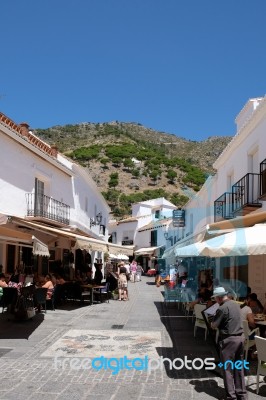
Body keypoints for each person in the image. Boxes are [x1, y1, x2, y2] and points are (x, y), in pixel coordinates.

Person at [211, 287, 247, 400]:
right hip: (240, 338)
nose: (215, 301)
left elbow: (214, 325)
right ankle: (241, 394)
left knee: (227, 369)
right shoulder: (236, 304)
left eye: (215, 299)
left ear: (218, 297)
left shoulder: (222, 308)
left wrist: (212, 320)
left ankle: (231, 396)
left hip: (229, 340)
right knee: (239, 367)